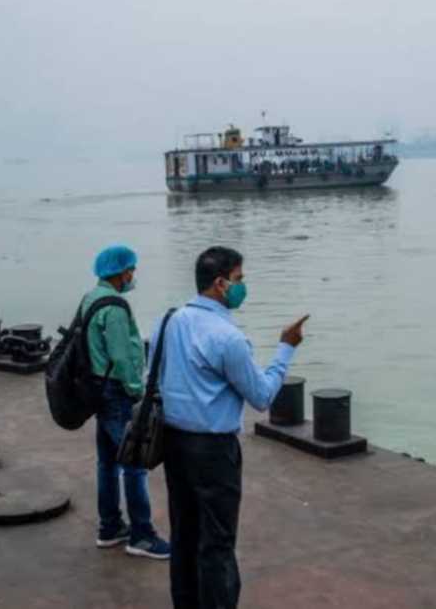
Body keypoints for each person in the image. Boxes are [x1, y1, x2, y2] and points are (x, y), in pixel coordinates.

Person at [153, 246, 309, 608]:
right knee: (218, 543)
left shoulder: (168, 322)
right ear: (221, 284)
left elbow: (153, 377)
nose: (243, 287)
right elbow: (262, 396)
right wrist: (285, 348)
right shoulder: (228, 338)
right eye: (239, 279)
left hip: (173, 443)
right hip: (213, 450)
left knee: (185, 536)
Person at [84, 245, 172, 559]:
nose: (133, 275)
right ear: (121, 272)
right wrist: (139, 392)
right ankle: (142, 535)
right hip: (117, 394)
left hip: (97, 389)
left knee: (107, 463)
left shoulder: (90, 299)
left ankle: (110, 527)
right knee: (134, 465)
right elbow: (121, 357)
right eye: (131, 270)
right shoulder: (116, 307)